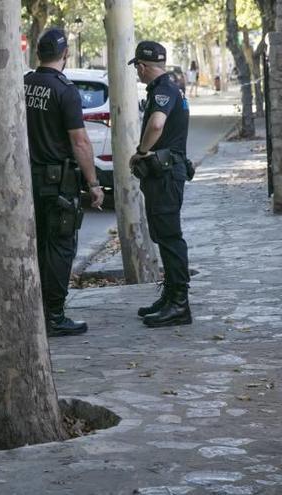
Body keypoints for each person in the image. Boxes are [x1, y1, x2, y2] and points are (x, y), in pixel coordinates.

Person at [24, 28, 105, 337]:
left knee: (36, 246)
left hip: (27, 179)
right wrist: (94, 183)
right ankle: (54, 316)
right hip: (57, 183)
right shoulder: (65, 90)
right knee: (59, 247)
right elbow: (80, 142)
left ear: (37, 53)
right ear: (66, 54)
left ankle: (35, 311)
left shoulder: (24, 84)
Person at [128, 41, 192, 328]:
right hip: (165, 173)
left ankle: (179, 304)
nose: (138, 74)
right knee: (164, 236)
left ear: (142, 66)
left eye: (138, 68)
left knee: (170, 237)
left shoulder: (164, 90)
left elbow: (156, 124)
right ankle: (170, 297)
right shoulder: (169, 87)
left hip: (166, 174)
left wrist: (141, 152)